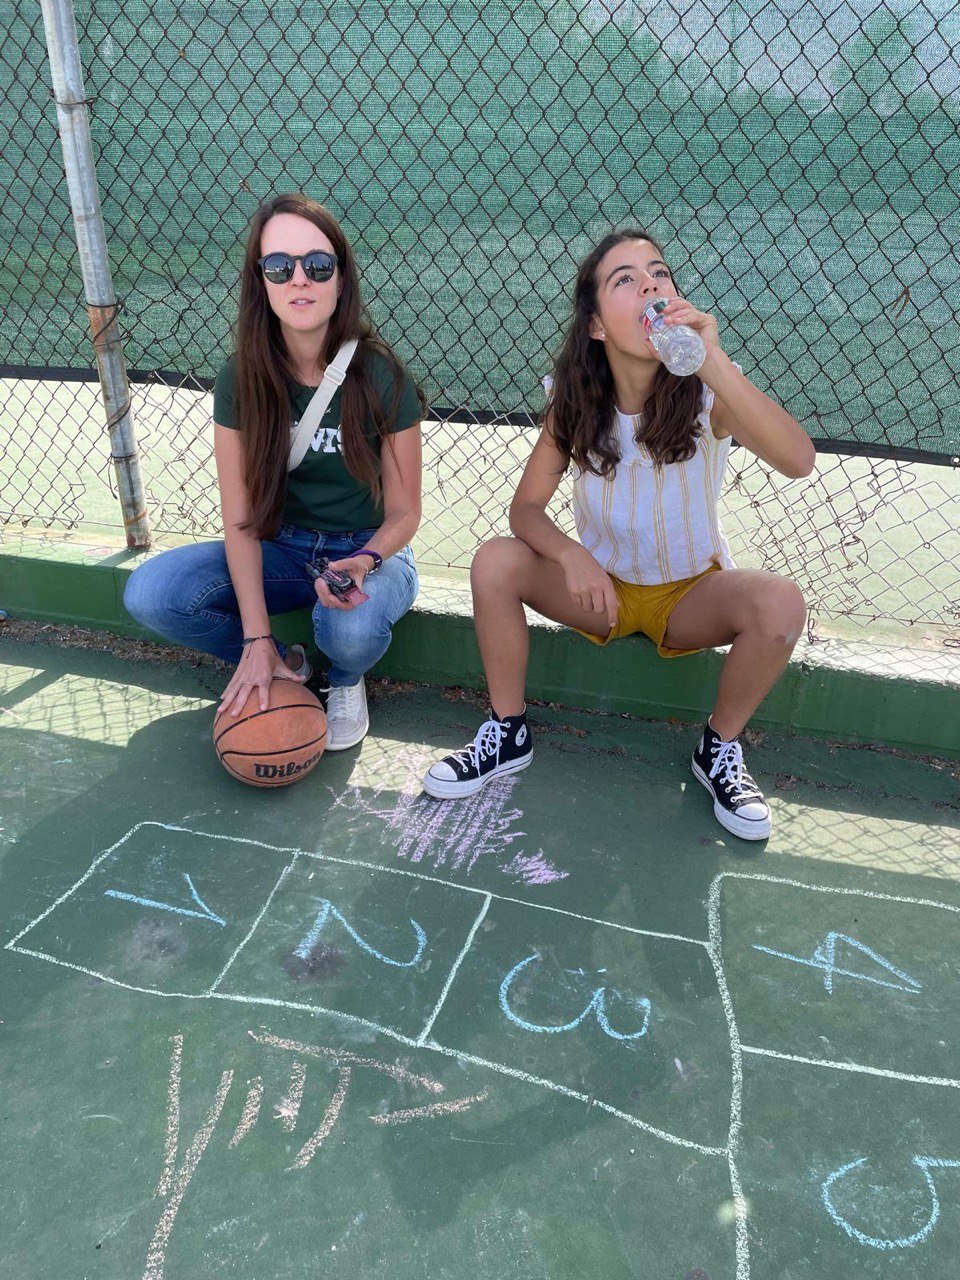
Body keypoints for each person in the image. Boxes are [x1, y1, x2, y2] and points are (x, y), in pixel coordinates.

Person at [423, 228, 815, 840]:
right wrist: (569, 554)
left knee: (781, 603)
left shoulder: (710, 395)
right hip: (598, 592)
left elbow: (798, 459)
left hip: (687, 596)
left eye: (659, 273)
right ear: (599, 325)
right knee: (495, 561)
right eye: (625, 279)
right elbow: (525, 510)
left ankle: (718, 750)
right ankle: (507, 730)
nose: (651, 285)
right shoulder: (576, 403)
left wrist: (713, 357)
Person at [124, 193, 425, 749]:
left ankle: (344, 678)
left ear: (340, 278)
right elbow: (239, 520)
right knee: (154, 593)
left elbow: (407, 513)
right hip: (283, 549)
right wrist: (255, 636)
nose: (299, 280)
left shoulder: (381, 374)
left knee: (351, 628)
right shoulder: (241, 377)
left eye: (317, 265)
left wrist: (363, 560)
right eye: (279, 267)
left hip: (369, 548)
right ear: (260, 280)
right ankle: (283, 662)